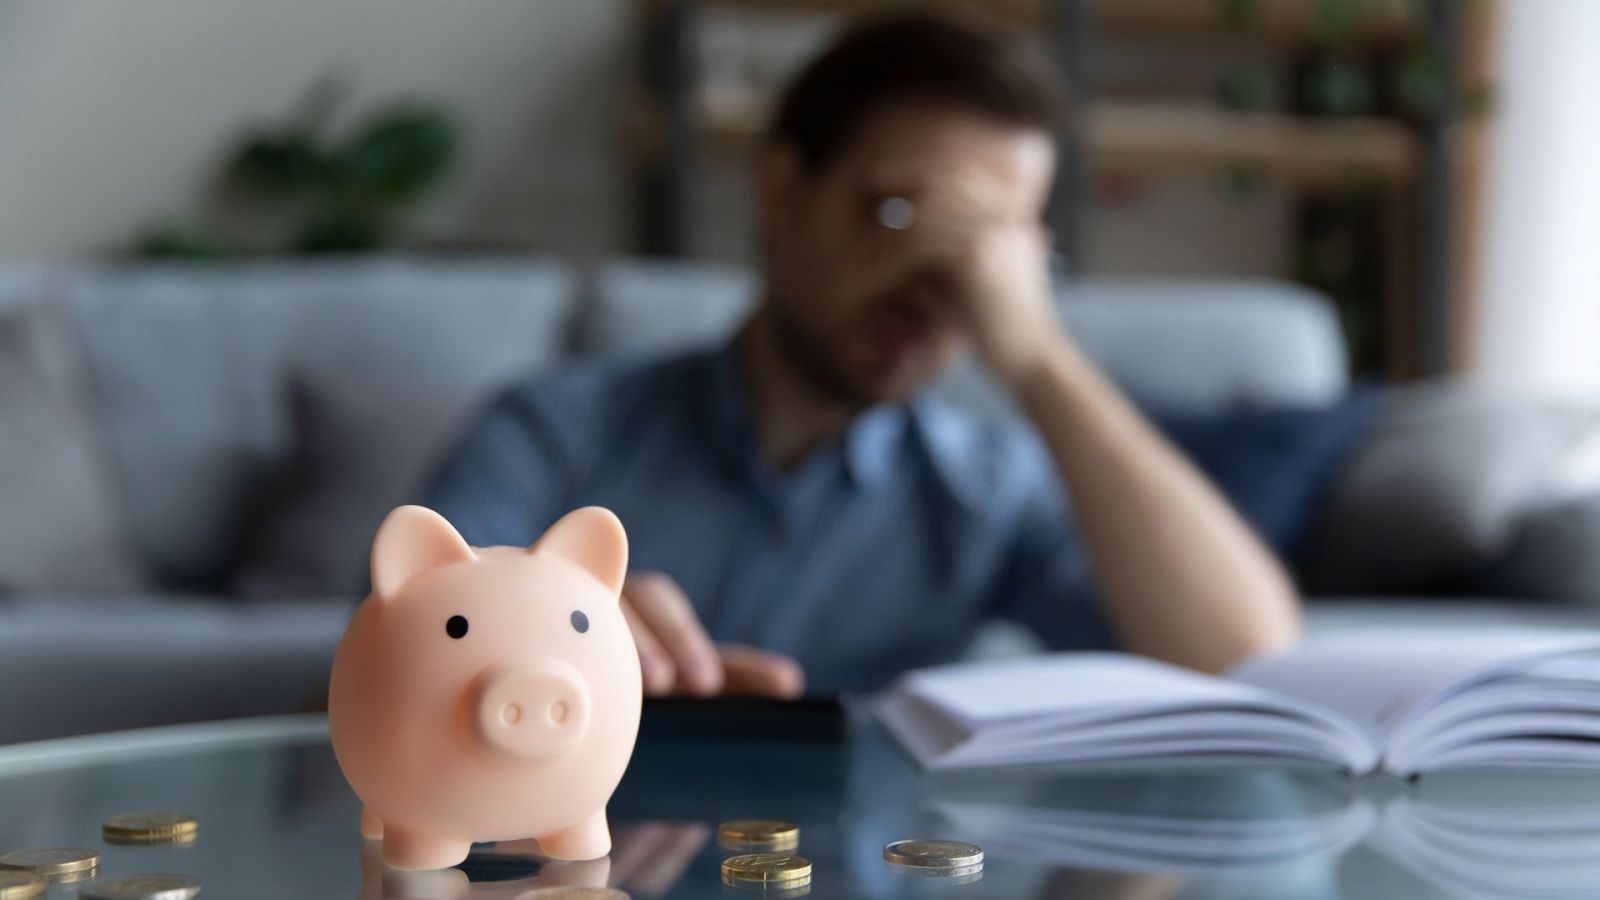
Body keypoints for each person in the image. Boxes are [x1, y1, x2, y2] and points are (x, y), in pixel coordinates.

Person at [427, 9, 1300, 699]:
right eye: (895, 214)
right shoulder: (555, 430)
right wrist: (533, 630)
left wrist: (1040, 358)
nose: (931, 280)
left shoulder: (987, 492)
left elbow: (1244, 667)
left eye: (981, 244)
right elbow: (380, 666)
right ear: (780, 189)